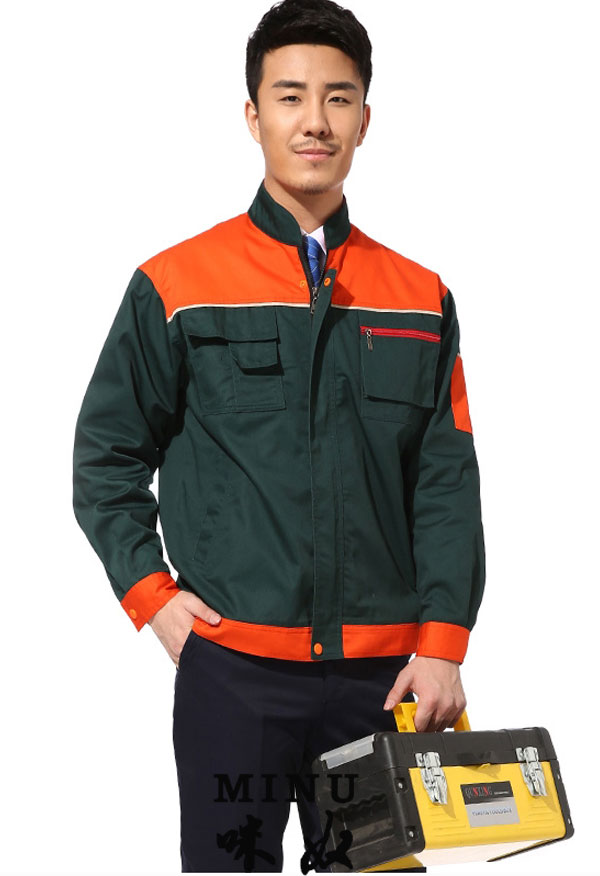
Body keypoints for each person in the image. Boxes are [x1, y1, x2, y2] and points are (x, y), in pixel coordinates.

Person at [73, 0, 485, 871]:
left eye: (338, 98)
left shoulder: (420, 297)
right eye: (290, 96)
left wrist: (444, 646)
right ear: (252, 115)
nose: (314, 121)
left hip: (382, 682)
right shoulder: (176, 284)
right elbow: (106, 455)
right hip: (236, 675)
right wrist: (153, 598)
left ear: (365, 119)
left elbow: (445, 482)